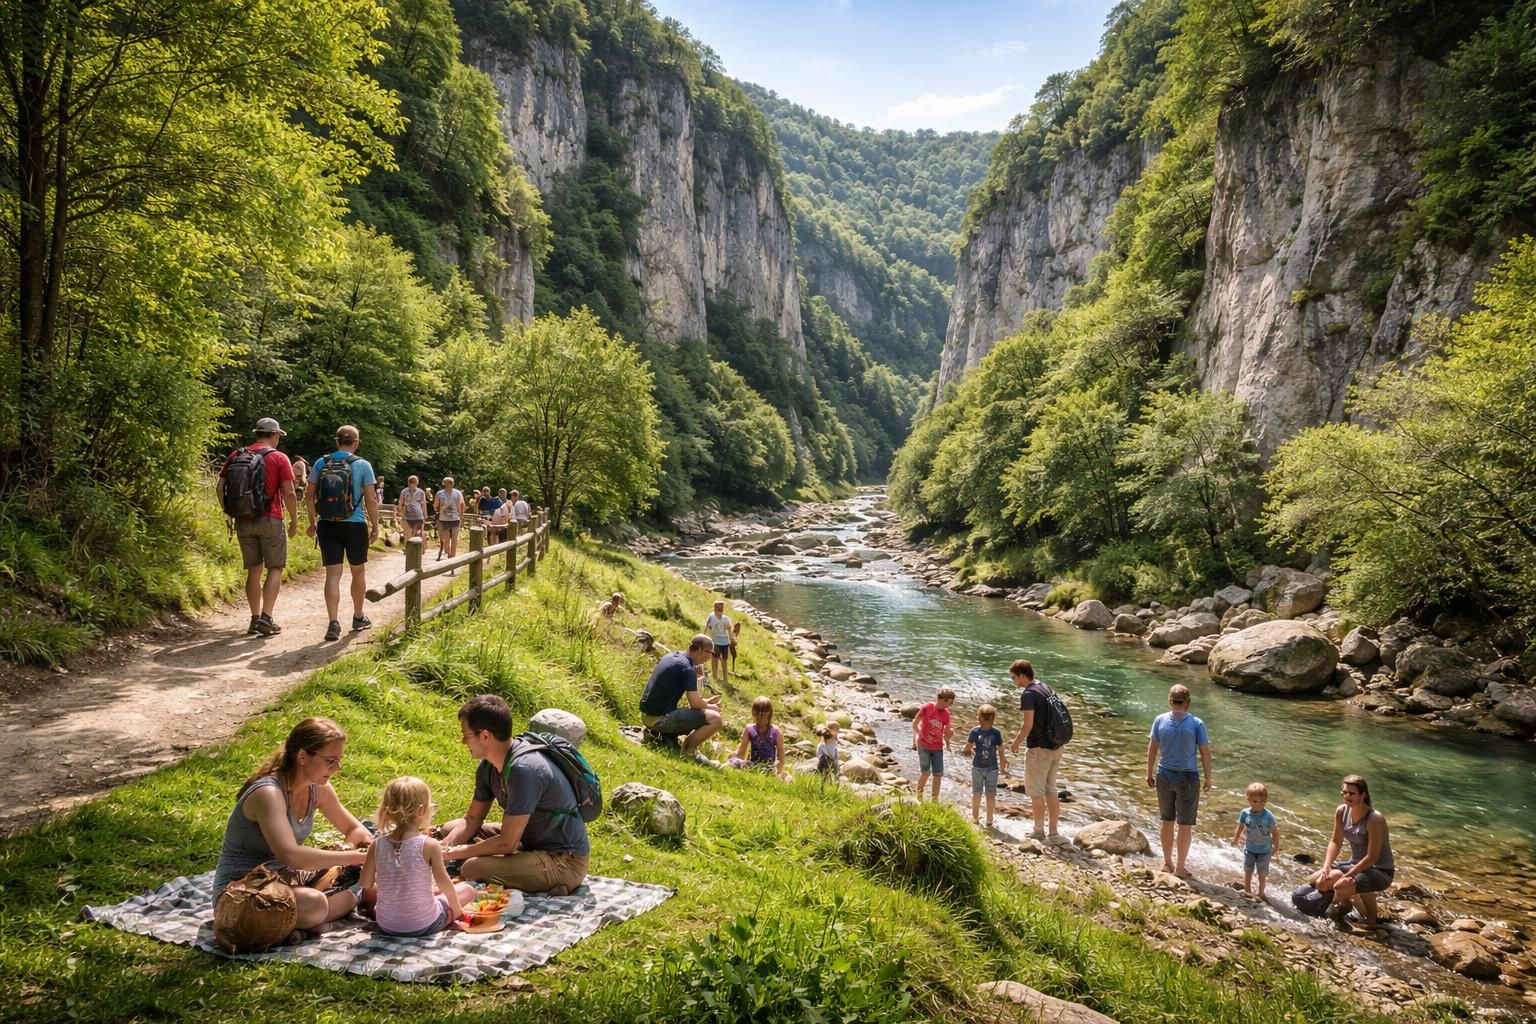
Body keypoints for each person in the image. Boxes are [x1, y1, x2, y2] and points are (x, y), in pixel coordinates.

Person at [212, 717, 371, 931]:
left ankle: (303, 924)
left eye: (339, 760)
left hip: (284, 881)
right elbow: (291, 856)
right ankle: (339, 907)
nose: (337, 768)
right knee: (315, 903)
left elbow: (354, 829)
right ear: (302, 756)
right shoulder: (268, 794)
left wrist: (361, 850)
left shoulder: (318, 789)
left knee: (360, 880)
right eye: (330, 760)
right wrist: (358, 858)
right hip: (241, 894)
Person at [441, 695, 591, 895]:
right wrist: (445, 847)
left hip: (563, 860)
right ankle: (516, 868)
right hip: (527, 841)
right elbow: (473, 818)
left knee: (472, 867)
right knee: (449, 830)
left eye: (466, 735)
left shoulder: (525, 770)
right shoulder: (488, 767)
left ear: (485, 736)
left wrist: (458, 852)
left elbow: (507, 843)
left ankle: (554, 881)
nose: (462, 741)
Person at [361, 776, 474, 936]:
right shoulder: (429, 845)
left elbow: (365, 883)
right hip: (424, 925)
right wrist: (457, 912)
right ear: (421, 810)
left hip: (386, 925)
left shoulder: (377, 845)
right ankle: (447, 919)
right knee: (467, 890)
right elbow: (445, 885)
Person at [219, 417, 298, 637]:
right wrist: (294, 520)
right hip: (271, 518)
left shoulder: (236, 455)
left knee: (254, 570)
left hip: (243, 520)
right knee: (275, 567)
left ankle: (254, 619)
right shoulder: (279, 457)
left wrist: (230, 511)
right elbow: (289, 492)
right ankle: (266, 617)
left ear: (257, 433)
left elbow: (220, 486)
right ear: (275, 435)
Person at [306, 425, 380, 642]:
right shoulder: (363, 465)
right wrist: (375, 526)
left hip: (327, 524)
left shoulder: (321, 463)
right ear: (356, 443)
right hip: (355, 524)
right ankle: (358, 616)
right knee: (358, 571)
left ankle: (333, 622)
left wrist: (312, 522)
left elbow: (309, 495)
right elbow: (371, 499)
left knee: (332, 575)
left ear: (337, 441)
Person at [1145, 684, 1212, 879]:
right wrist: (1208, 778)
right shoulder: (1197, 723)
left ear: (1170, 700)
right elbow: (1205, 753)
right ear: (1187, 702)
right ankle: (1180, 867)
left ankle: (1167, 863)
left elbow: (1152, 749)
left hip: (1164, 774)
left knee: (1167, 821)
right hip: (1188, 778)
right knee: (1185, 824)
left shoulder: (1159, 720)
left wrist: (1149, 773)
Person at [1312, 775, 1394, 928]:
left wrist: (1347, 876)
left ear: (1363, 795)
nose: (1347, 796)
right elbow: (1335, 841)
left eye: (1351, 793)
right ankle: (1350, 904)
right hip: (1355, 864)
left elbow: (1372, 857)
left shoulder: (1374, 819)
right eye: (1344, 792)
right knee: (1319, 881)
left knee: (1341, 886)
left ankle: (1367, 920)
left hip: (1379, 870)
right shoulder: (1341, 811)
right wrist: (1326, 866)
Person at [1008, 659, 1070, 845]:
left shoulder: (1028, 694)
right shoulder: (1044, 687)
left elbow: (1027, 725)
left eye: (1013, 678)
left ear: (1022, 675)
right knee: (1051, 789)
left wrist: (1016, 743)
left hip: (1039, 748)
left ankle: (1037, 831)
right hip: (1056, 746)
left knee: (1036, 792)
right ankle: (1053, 832)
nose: (1013, 681)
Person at [638, 634, 723, 759]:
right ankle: (689, 751)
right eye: (709, 652)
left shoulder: (672, 656)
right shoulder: (687, 669)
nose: (709, 658)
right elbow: (694, 704)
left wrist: (705, 702)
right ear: (700, 649)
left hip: (647, 716)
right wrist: (712, 707)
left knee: (706, 712)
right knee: (716, 719)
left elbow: (692, 700)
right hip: (659, 720)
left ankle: (670, 740)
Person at [1232, 781, 1281, 899]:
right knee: (1248, 870)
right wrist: (1235, 839)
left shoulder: (1268, 816)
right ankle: (1247, 890)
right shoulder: (1245, 813)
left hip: (1264, 850)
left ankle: (1261, 893)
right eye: (1248, 799)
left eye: (1254, 801)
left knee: (1262, 873)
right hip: (1249, 848)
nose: (1250, 803)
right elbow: (1240, 827)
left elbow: (1275, 833)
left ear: (1263, 802)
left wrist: (1276, 847)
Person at [964, 704, 1008, 828]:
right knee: (991, 794)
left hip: (977, 767)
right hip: (992, 768)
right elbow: (1001, 751)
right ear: (993, 718)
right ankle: (989, 819)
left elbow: (967, 748)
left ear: (979, 717)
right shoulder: (996, 733)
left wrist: (970, 751)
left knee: (976, 793)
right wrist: (1003, 767)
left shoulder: (975, 731)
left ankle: (975, 818)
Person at [728, 696, 789, 779]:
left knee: (784, 776)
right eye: (757, 713)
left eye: (763, 713)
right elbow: (742, 750)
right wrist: (737, 762)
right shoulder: (749, 729)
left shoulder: (775, 731)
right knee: (732, 761)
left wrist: (779, 771)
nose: (760, 716)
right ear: (753, 713)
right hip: (753, 765)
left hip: (769, 768)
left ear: (769, 713)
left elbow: (780, 755)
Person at [911, 688, 955, 800]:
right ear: (944, 700)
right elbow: (915, 722)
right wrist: (918, 733)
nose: (950, 705)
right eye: (950, 702)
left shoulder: (946, 714)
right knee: (925, 772)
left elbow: (946, 733)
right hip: (923, 746)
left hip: (937, 748)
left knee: (938, 774)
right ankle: (918, 795)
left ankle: (934, 799)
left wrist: (948, 743)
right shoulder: (927, 708)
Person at [704, 599, 735, 688]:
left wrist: (731, 640)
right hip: (717, 642)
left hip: (722, 642)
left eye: (721, 608)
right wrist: (704, 637)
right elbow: (706, 626)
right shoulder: (712, 617)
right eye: (718, 608)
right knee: (716, 659)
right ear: (714, 608)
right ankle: (717, 677)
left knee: (722, 660)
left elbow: (730, 630)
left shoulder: (724, 618)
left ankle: (723, 678)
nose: (720, 610)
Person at [433, 477, 464, 561]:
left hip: (455, 518)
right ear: (444, 484)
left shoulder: (457, 493)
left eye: (450, 483)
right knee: (446, 540)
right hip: (444, 519)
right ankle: (449, 554)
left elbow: (462, 504)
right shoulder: (440, 494)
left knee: (454, 538)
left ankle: (453, 557)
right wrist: (440, 506)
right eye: (447, 483)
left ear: (452, 484)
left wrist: (461, 515)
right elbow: (435, 506)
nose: (449, 484)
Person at [398, 475, 427, 542]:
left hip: (407, 516)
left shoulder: (404, 491)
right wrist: (425, 515)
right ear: (417, 482)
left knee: (407, 535)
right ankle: (418, 547)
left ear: (408, 482)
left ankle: (408, 546)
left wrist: (400, 513)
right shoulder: (421, 492)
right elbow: (423, 505)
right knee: (418, 535)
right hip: (418, 516)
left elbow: (400, 503)